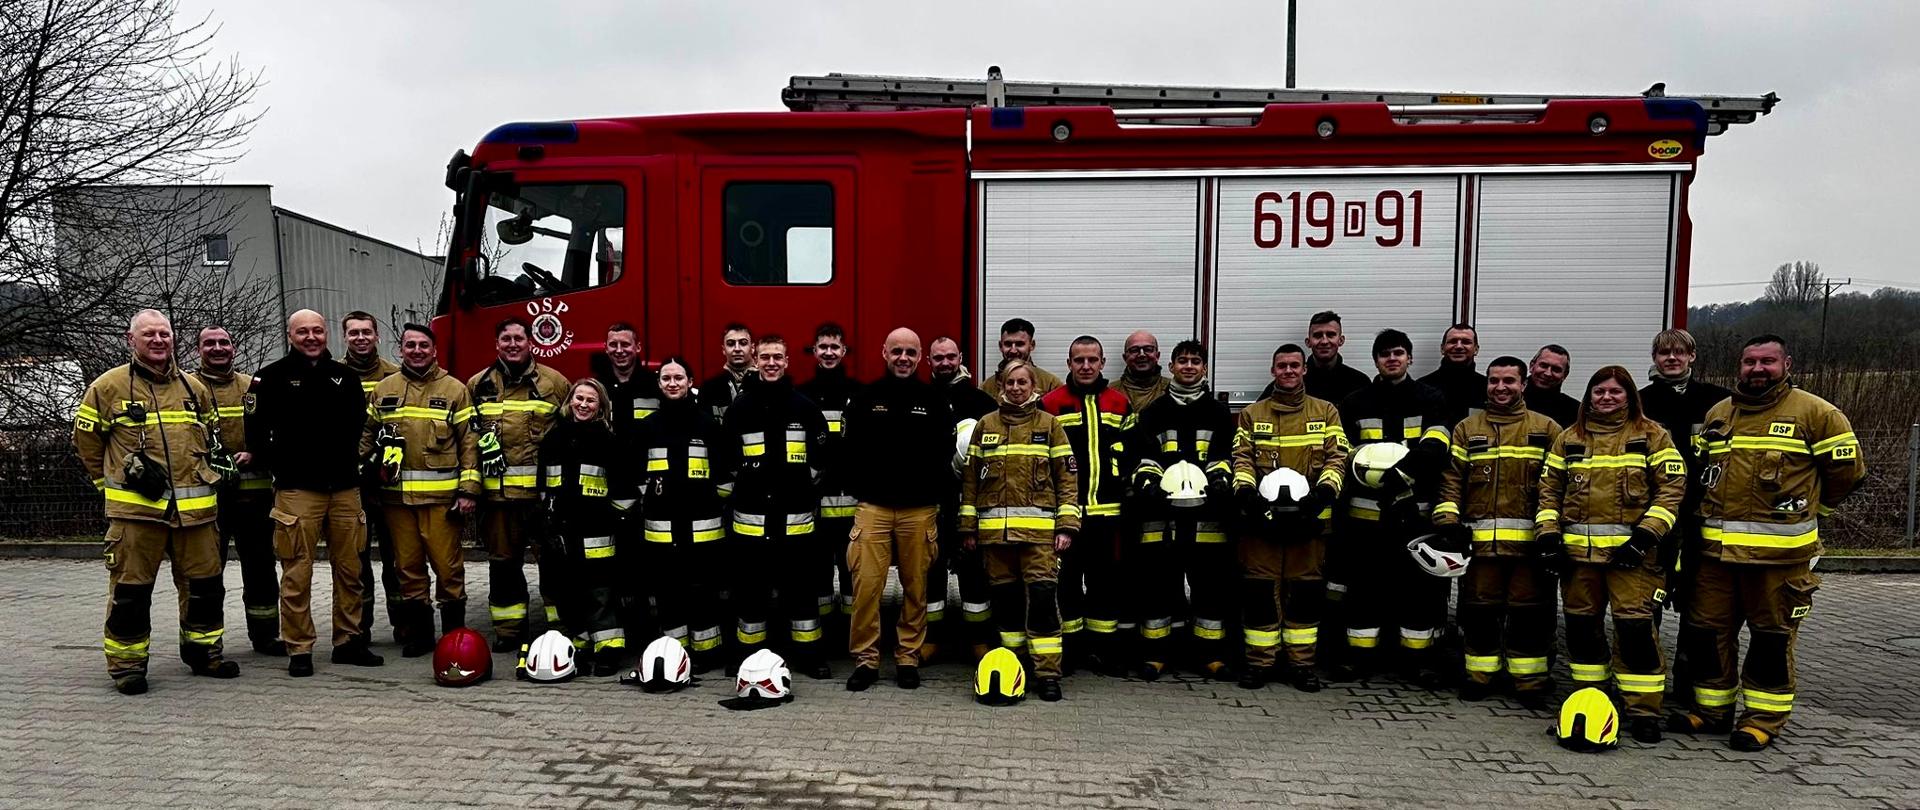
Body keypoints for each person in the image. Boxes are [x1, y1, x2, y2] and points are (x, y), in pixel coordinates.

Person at [1671, 335, 1863, 751]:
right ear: (1739, 366)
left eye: (1767, 362)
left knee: (1771, 641)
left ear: (1786, 364)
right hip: (1716, 558)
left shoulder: (1817, 414)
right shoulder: (1720, 414)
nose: (1758, 369)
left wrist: (1814, 511)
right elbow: (1704, 475)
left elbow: (1847, 475)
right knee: (1707, 635)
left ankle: (1762, 720)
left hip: (1779, 562)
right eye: (1750, 362)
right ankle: (1711, 710)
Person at [75, 309, 238, 694]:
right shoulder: (108, 387)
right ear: (131, 340)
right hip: (136, 516)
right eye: (149, 334)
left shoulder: (193, 389)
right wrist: (108, 485)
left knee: (205, 588)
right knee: (131, 593)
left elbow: (210, 440)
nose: (158, 340)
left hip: (196, 515)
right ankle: (127, 666)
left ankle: (204, 654)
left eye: (164, 334)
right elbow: (87, 443)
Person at [1536, 365, 1687, 744]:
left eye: (1615, 392)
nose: (1606, 398)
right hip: (1578, 560)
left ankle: (1643, 710)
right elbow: (1549, 491)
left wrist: (1644, 539)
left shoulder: (1652, 436)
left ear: (1629, 397)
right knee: (1583, 630)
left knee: (1635, 631)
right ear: (1588, 397)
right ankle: (1593, 698)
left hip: (1632, 559)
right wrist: (1550, 538)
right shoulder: (1569, 438)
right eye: (1598, 391)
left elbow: (1671, 491)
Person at [247, 309, 384, 676]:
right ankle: (300, 649)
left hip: (344, 488)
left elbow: (360, 428)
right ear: (290, 335)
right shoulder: (270, 378)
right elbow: (256, 432)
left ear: (327, 335)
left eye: (318, 331)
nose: (311, 337)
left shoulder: (345, 377)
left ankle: (348, 642)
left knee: (351, 569)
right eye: (303, 331)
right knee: (297, 572)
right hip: (296, 490)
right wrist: (281, 462)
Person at [1431, 355, 1561, 708]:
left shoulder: (1547, 429)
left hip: (1529, 550)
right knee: (1478, 614)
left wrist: (1550, 533)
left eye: (1509, 381)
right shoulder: (1467, 429)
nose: (1500, 387)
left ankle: (1530, 682)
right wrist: (1448, 523)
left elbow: (1557, 486)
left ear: (1524, 384)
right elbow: (1451, 481)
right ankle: (1479, 676)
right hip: (1480, 549)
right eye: (1494, 381)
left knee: (1529, 617)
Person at [1331, 329, 1451, 686]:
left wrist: (1405, 472)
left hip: (1415, 517)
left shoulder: (1431, 398)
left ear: (1410, 358)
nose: (1392, 359)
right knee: (1365, 589)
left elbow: (1438, 441)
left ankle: (1416, 661)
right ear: (1376, 361)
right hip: (1365, 519)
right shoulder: (1355, 402)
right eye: (1385, 354)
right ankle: (1359, 659)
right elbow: (1341, 450)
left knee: (1418, 592)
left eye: (1399, 353)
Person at [842, 328, 954, 690]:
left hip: (918, 510)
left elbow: (944, 455)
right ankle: (866, 659)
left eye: (910, 352)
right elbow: (851, 451)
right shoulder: (864, 398)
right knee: (867, 587)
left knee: (915, 588)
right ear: (884, 353)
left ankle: (908, 657)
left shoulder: (934, 400)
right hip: (873, 507)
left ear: (920, 357)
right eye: (897, 352)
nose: (903, 358)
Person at [1230, 343, 1346, 692]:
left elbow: (1337, 457)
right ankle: (1260, 663)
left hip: (1309, 522)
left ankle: (1301, 665)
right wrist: (1248, 498)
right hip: (1262, 523)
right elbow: (1242, 459)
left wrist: (1321, 499)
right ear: (1273, 371)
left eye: (1295, 365)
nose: (1289, 371)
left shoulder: (1326, 412)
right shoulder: (1252, 414)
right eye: (1282, 366)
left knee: (1304, 594)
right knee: (1260, 593)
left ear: (1305, 369)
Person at [961, 359, 1079, 702]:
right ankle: (1016, 665)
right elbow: (970, 482)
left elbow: (1067, 480)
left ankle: (1047, 674)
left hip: (1040, 539)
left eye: (1022, 382)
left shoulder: (1050, 425)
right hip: (995, 539)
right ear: (1001, 387)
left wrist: (1067, 526)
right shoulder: (986, 425)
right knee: (1007, 606)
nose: (1015, 388)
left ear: (1034, 387)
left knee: (1042, 604)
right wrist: (968, 527)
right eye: (1010, 382)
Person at [362, 323, 479, 657]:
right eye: (410, 345)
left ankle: (455, 637)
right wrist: (361, 474)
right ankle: (421, 636)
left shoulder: (455, 389)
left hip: (441, 502)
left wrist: (468, 491)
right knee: (408, 570)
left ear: (434, 351)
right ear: (401, 350)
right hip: (395, 501)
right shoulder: (385, 388)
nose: (416, 351)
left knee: (448, 569)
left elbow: (469, 443)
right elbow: (368, 436)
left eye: (423, 346)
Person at [1126, 340, 1236, 680]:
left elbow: (1227, 455)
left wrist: (1220, 482)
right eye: (1183, 361)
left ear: (1204, 368)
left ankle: (1209, 656)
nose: (1189, 366)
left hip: (1207, 518)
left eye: (1196, 361)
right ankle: (1157, 655)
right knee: (1158, 589)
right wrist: (1151, 486)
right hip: (1162, 518)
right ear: (1171, 366)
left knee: (1209, 591)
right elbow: (1142, 457)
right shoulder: (1154, 411)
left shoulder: (1217, 413)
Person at [723, 334, 832, 677]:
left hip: (795, 521)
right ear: (756, 359)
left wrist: (797, 487)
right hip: (751, 522)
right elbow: (728, 458)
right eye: (766, 357)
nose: (771, 363)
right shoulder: (741, 407)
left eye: (777, 357)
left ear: (787, 362)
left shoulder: (805, 407)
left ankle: (808, 656)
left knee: (801, 592)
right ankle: (749, 657)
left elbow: (820, 459)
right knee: (751, 595)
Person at [1637, 327, 1733, 710]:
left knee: (1701, 608)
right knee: (1646, 606)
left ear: (1692, 356)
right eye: (1664, 353)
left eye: (1679, 353)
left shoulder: (1718, 402)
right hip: (1653, 518)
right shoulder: (1639, 402)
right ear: (1655, 358)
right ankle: (1645, 682)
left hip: (1701, 517)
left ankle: (1691, 684)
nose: (1671, 359)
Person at [468, 318, 572, 651]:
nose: (513, 344)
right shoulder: (478, 384)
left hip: (543, 500)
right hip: (498, 501)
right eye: (506, 339)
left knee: (555, 567)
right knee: (503, 567)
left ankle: (561, 629)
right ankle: (509, 633)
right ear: (497, 344)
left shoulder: (555, 383)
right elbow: (469, 440)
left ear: (531, 343)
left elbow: (573, 436)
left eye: (519, 338)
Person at [632, 357, 735, 670]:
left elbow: (725, 474)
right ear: (659, 384)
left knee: (703, 590)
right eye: (666, 379)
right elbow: (637, 474)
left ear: (691, 382)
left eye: (679, 378)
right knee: (668, 592)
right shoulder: (648, 427)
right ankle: (676, 651)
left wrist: (709, 502)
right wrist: (651, 501)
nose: (672, 384)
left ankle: (706, 654)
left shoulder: (707, 425)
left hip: (704, 527)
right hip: (661, 528)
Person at [1039, 336, 1133, 673]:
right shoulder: (1050, 404)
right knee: (1066, 587)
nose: (1086, 366)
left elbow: (1133, 454)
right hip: (1068, 517)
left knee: (1105, 586)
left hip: (1108, 515)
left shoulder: (1119, 404)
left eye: (1092, 359)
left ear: (1103, 362)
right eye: (1079, 360)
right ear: (1068, 364)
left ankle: (1103, 652)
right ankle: (1072, 652)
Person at [193, 325, 282, 655]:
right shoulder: (187, 388)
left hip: (255, 497)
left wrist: (257, 453)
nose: (218, 348)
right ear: (198, 349)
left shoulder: (254, 387)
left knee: (260, 571)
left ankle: (266, 636)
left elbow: (275, 433)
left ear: (234, 347)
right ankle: (206, 639)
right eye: (209, 343)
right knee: (206, 574)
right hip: (207, 500)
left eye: (224, 342)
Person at [538, 378, 634, 676]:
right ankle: (577, 646)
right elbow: (543, 486)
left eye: (590, 400)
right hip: (562, 532)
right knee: (566, 590)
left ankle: (609, 650)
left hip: (597, 533)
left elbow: (624, 492)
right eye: (578, 398)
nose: (583, 404)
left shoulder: (609, 441)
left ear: (601, 407)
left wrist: (615, 523)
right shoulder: (553, 439)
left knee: (600, 593)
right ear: (569, 402)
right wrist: (546, 521)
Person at [927, 336, 999, 655]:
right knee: (931, 571)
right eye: (938, 357)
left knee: (974, 574)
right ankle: (930, 638)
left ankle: (979, 639)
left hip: (972, 502)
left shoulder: (981, 402)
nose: (944, 362)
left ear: (960, 358)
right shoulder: (922, 398)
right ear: (929, 361)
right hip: (932, 500)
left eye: (950, 357)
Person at [341, 311, 405, 645]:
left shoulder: (395, 376)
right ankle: (359, 629)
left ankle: (404, 627)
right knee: (356, 560)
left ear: (377, 336)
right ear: (345, 337)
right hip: (350, 482)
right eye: (354, 333)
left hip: (388, 480)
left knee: (397, 560)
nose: (361, 338)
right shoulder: (333, 375)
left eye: (366, 332)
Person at [797, 323, 862, 636]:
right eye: (823, 347)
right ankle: (825, 632)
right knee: (818, 572)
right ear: (814, 350)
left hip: (851, 498)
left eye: (834, 347)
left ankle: (850, 632)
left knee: (852, 571)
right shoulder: (802, 394)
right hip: (817, 500)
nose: (829, 353)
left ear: (844, 351)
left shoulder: (859, 393)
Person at [591, 321, 662, 435]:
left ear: (638, 347)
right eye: (613, 345)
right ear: (606, 348)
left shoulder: (655, 385)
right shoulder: (597, 387)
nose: (619, 350)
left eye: (625, 344)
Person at [1419, 323, 1486, 427]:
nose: (1458, 346)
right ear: (1442, 348)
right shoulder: (1421, 387)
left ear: (1476, 349)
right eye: (1453, 341)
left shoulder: (1488, 388)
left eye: (1466, 342)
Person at [980, 318, 1063, 401]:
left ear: (1032, 345)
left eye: (1019, 344)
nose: (1013, 350)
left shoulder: (1051, 384)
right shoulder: (986, 388)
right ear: (1000, 346)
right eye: (1008, 344)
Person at [1304, 311, 1371, 404]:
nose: (1324, 341)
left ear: (1341, 340)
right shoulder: (1295, 381)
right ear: (1308, 342)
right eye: (1318, 335)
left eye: (1330, 335)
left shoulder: (1359, 382)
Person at [698, 323, 755, 422]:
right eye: (730, 343)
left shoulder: (765, 383)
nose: (737, 349)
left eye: (743, 343)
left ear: (753, 348)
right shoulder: (709, 389)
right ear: (723, 349)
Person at [1524, 345, 1580, 427]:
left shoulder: (1575, 411)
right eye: (1543, 366)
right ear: (1532, 366)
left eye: (1556, 369)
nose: (1548, 373)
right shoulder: (1510, 400)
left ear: (1565, 375)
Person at [1115, 330, 1170, 413]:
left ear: (1157, 355)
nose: (1142, 354)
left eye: (1148, 349)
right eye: (1134, 350)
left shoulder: (1172, 390)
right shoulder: (1111, 391)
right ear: (1125, 357)